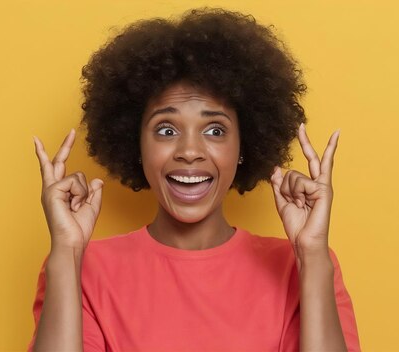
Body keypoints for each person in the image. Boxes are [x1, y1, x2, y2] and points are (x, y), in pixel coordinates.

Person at [28, 7, 360, 352]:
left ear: (242, 146)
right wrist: (66, 253)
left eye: (215, 130)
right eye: (166, 129)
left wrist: (312, 256)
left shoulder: (305, 266)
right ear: (135, 145)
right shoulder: (81, 268)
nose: (189, 151)